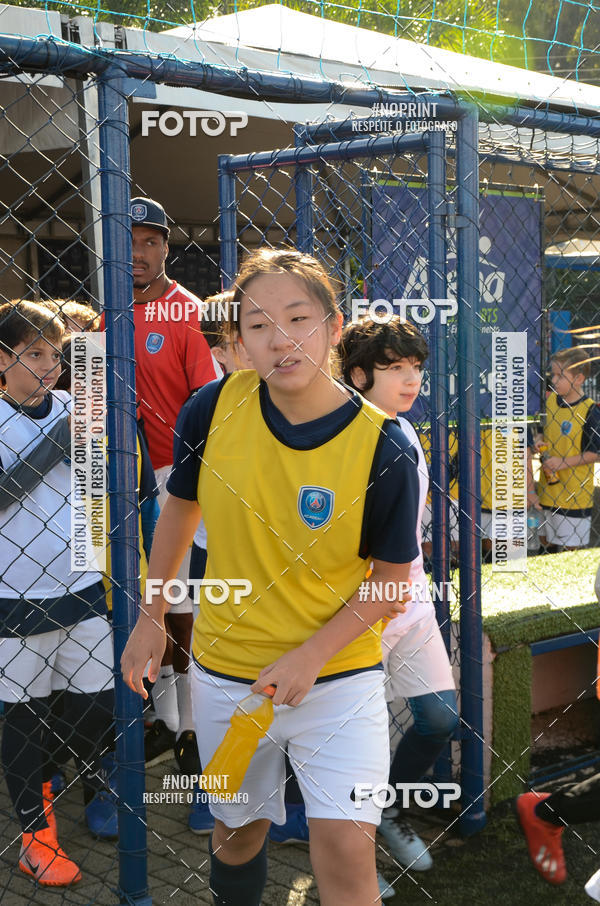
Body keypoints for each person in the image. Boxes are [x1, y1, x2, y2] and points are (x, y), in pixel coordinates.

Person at [121, 247, 421, 906]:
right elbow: (180, 509)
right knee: (237, 832)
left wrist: (312, 656)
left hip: (337, 680)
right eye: (257, 324)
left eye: (297, 318)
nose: (279, 339)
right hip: (229, 675)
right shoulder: (210, 408)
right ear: (238, 338)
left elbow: (392, 582)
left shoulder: (385, 446)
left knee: (344, 847)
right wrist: (151, 618)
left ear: (335, 327)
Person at [0, 301, 115, 885]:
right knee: (23, 713)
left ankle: (57, 781)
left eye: (55, 354)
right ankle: (34, 831)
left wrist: (97, 561)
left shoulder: (78, 404)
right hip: (13, 594)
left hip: (83, 583)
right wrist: (54, 446)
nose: (49, 366)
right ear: (3, 358)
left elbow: (97, 489)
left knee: (96, 704)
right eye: (34, 353)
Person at [340, 314, 459, 875]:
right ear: (358, 373)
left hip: (409, 601)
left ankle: (389, 813)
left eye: (414, 367)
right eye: (393, 369)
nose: (410, 380)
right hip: (355, 610)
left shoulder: (404, 428)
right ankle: (354, 861)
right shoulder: (338, 436)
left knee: (439, 719)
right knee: (349, 747)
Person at [110, 196, 221, 772]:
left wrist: (188, 479)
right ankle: (158, 721)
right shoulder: (105, 312)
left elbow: (207, 402)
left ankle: (189, 729)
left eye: (150, 240)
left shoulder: (189, 313)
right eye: (129, 239)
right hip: (109, 476)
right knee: (128, 601)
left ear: (166, 248)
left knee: (176, 603)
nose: (137, 251)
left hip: (169, 476)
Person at [532, 346, 600, 551]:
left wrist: (562, 463)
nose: (554, 380)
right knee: (546, 544)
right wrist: (539, 440)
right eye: (552, 374)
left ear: (578, 379)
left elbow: (595, 453)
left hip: (574, 497)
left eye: (560, 375)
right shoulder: (551, 401)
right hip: (547, 491)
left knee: (570, 550)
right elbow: (545, 431)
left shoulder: (589, 410)